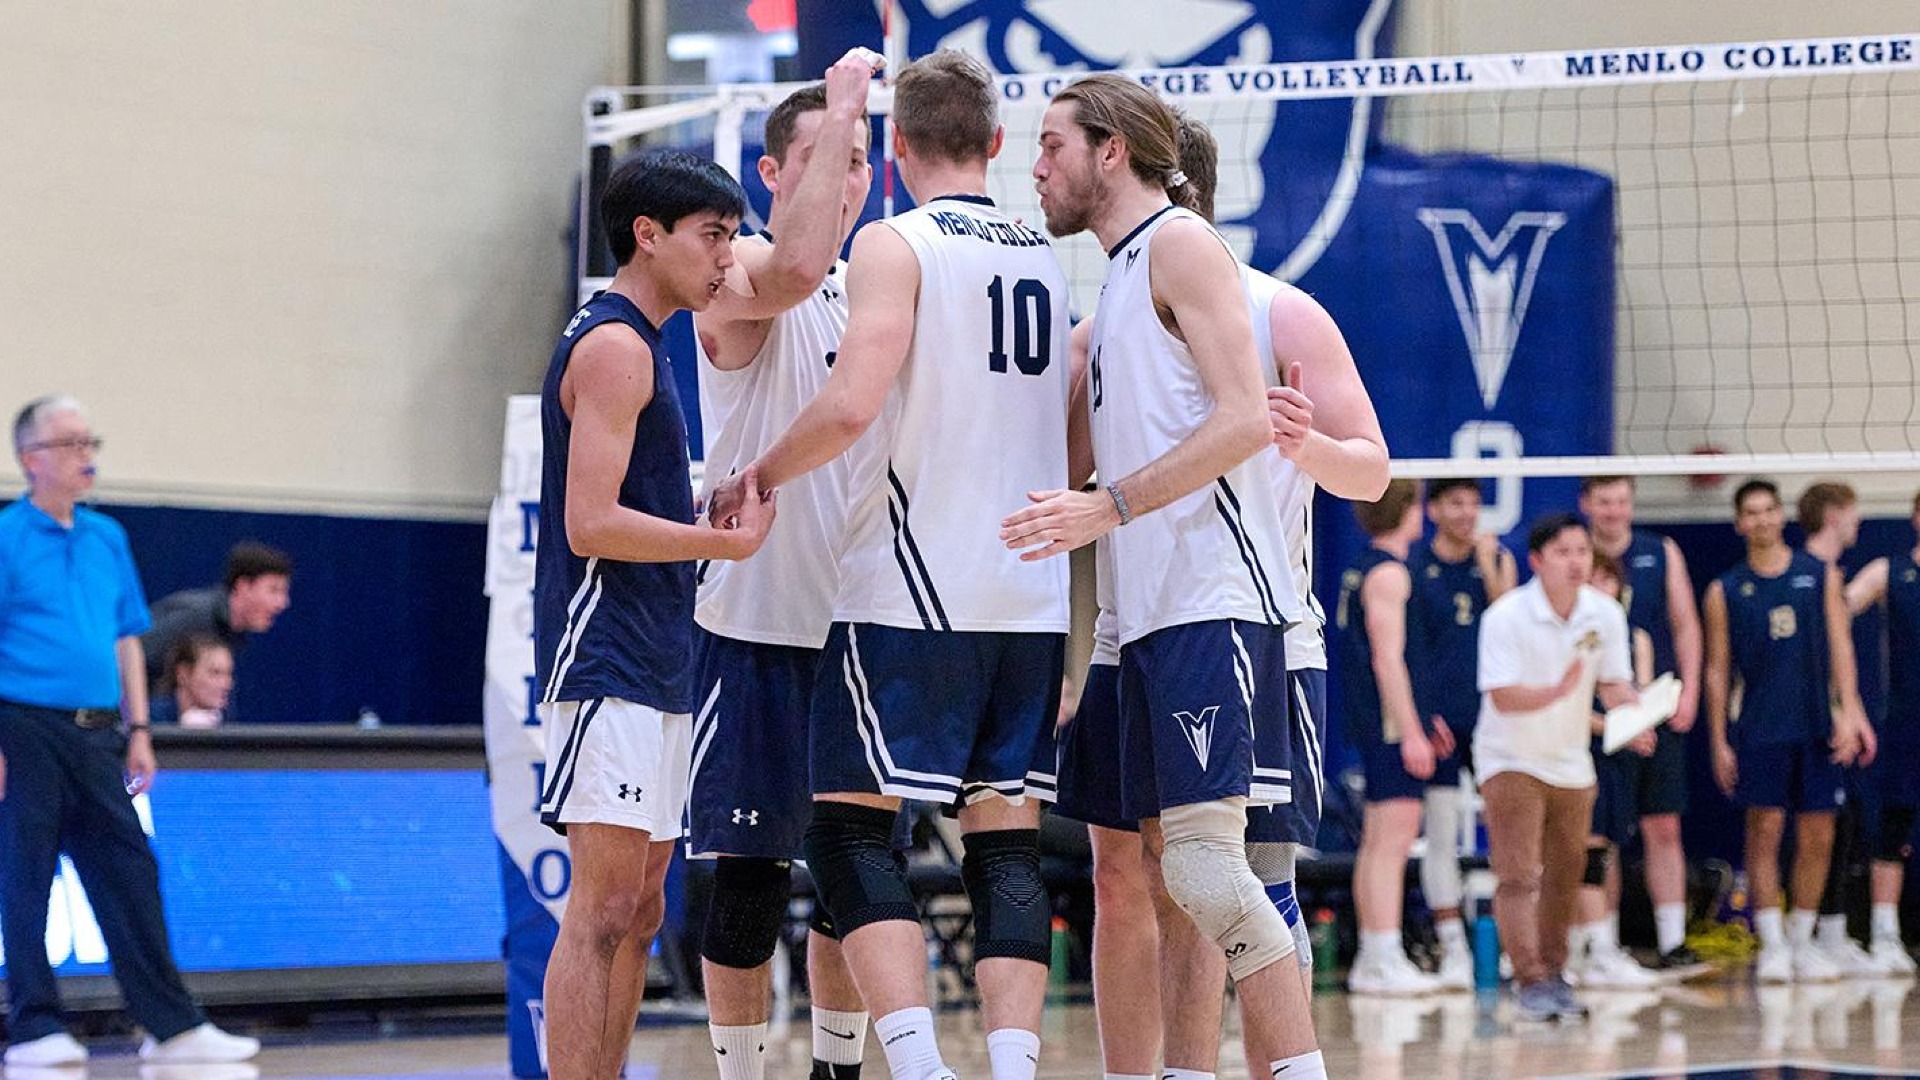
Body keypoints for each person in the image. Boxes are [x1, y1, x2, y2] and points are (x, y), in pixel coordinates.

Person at [708, 49, 1070, 1080]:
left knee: (848, 841)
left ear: (899, 149)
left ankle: (912, 1064)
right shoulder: (1048, 255)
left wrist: (760, 473)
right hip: (1028, 595)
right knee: (1002, 847)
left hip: (909, 591)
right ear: (998, 144)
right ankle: (1011, 1064)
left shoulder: (897, 245)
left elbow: (853, 401)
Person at [1048, 109, 1387, 1079]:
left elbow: (1371, 471)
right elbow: (1069, 465)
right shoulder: (1111, 310)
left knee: (1236, 882)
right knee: (1138, 878)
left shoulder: (1281, 309)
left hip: (1253, 627)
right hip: (1133, 629)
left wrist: (1300, 443)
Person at [531, 149, 774, 1080]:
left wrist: (693, 516)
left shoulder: (645, 341)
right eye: (714, 235)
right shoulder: (615, 346)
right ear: (649, 235)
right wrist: (720, 545)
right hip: (609, 659)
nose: (728, 257)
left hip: (661, 656)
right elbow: (589, 524)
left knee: (640, 909)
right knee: (599, 910)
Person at [688, 51, 882, 1080]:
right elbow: (799, 267)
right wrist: (845, 91)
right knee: (751, 879)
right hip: (755, 625)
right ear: (771, 176)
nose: (845, 177)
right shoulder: (741, 277)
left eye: (856, 160)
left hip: (859, 625)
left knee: (855, 880)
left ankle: (837, 1070)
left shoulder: (880, 292)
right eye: (822, 159)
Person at [0, 395, 259, 1067]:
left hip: (99, 732)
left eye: (91, 442)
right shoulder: (7, 538)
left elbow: (126, 640)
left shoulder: (107, 538)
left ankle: (170, 1022)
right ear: (32, 460)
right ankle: (33, 1027)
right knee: (24, 874)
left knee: (129, 868)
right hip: (22, 725)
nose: (88, 455)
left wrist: (140, 727)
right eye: (72, 444)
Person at [1704, 479, 1872, 984]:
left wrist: (1848, 711)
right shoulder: (1725, 590)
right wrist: (1718, 741)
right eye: (1750, 513)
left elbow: (1842, 648)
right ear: (1739, 524)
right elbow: (1717, 670)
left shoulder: (1817, 575)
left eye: (1768, 510)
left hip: (1816, 723)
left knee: (1819, 832)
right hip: (1759, 727)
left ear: (1782, 516)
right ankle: (1772, 943)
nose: (1761, 519)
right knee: (1764, 831)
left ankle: (1802, 942)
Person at [1475, 513, 1637, 1023]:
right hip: (1510, 759)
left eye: (1583, 551)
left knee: (1567, 875)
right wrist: (1558, 692)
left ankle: (1555, 973)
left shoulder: (1604, 613)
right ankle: (1529, 980)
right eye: (1564, 552)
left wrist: (1641, 710)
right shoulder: (1506, 616)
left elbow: (1613, 683)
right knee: (1519, 874)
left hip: (1572, 763)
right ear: (1538, 561)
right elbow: (1501, 696)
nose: (1577, 562)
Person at [1577, 474, 1706, 974]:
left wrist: (1688, 691)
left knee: (1663, 825)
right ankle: (1601, 946)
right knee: (1599, 837)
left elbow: (1685, 623)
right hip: (1597, 719)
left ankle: (1672, 941)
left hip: (1653, 709)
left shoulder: (1660, 551)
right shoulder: (1574, 554)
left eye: (1622, 501)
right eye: (1605, 501)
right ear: (1588, 504)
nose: (1614, 510)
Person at [1340, 481, 1447, 996]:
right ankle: (1381, 957)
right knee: (1392, 841)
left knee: (1379, 842)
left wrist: (1425, 720)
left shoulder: (1364, 566)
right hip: (1386, 725)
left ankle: (1375, 954)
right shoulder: (1388, 573)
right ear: (1409, 510)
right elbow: (1388, 659)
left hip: (1378, 722)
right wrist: (1411, 733)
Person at [1409, 477, 1516, 989]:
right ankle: (1452, 945)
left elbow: (1510, 624)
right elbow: (1411, 651)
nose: (1467, 514)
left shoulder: (1497, 562)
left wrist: (1490, 565)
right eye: (1456, 503)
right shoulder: (1413, 567)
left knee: (1507, 832)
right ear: (1433, 510)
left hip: (1492, 717)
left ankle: (1509, 941)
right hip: (1441, 721)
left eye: (1474, 504)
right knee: (1442, 831)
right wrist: (1423, 715)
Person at [1797, 480, 1899, 975]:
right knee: (1819, 826)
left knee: (1844, 821)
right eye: (1854, 514)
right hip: (1812, 718)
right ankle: (1812, 935)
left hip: (1833, 711)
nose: (1859, 523)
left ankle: (1832, 931)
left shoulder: (1833, 577)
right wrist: (1844, 712)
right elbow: (1820, 657)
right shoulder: (1810, 576)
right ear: (1835, 516)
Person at [1566, 551, 1661, 990]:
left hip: (1618, 753)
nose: (1600, 587)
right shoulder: (1571, 633)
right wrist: (1610, 726)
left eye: (1608, 579)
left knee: (1607, 849)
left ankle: (1601, 944)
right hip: (1579, 748)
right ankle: (1590, 950)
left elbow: (1632, 694)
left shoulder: (1632, 635)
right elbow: (1570, 703)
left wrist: (1641, 724)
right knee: (1583, 850)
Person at [1842, 489, 1920, 976]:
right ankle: (1886, 936)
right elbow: (1836, 612)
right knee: (1892, 827)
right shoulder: (1889, 571)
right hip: (1907, 720)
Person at [141, 540, 293, 701]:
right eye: (274, 590)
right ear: (243, 586)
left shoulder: (233, 632)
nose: (283, 603)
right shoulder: (193, 616)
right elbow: (130, 658)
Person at [150, 632, 234, 729]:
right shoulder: (151, 719)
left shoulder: (226, 720)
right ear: (183, 674)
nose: (227, 685)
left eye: (228, 674)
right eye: (215, 673)